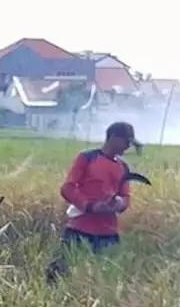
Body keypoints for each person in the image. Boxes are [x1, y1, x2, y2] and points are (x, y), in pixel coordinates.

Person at [44, 121, 140, 282]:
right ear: (114, 138)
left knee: (107, 278)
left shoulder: (123, 167)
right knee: (57, 274)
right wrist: (91, 206)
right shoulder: (87, 157)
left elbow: (125, 197)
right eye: (127, 142)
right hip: (80, 228)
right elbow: (67, 188)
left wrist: (118, 204)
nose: (128, 146)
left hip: (108, 233)